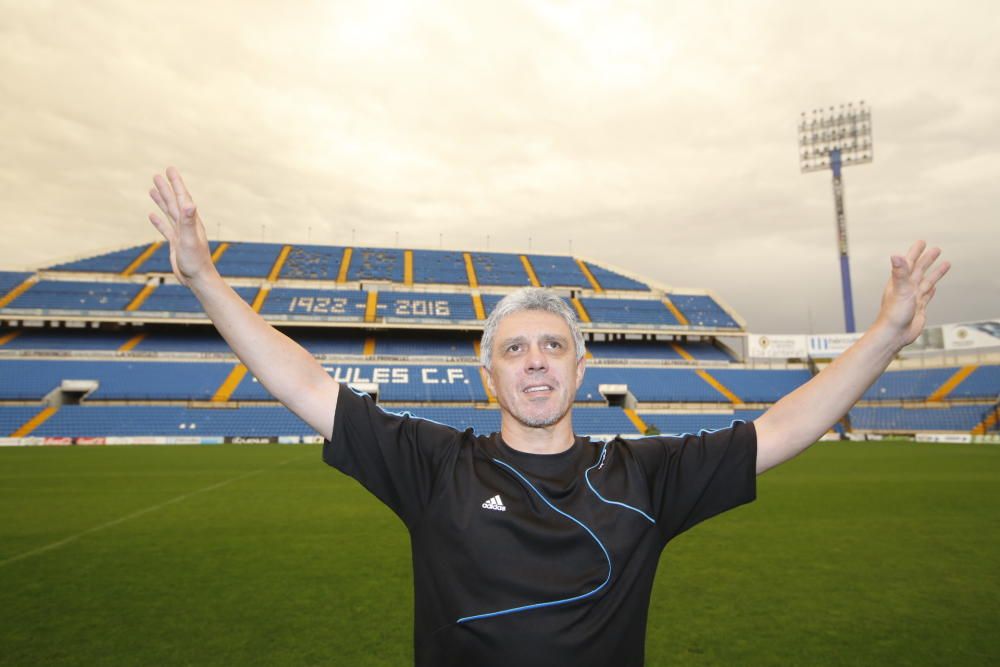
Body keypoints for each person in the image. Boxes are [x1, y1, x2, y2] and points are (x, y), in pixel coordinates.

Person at [147, 167, 950, 667]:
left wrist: (883, 335)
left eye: (554, 346)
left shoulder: (646, 474)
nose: (535, 359)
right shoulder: (433, 466)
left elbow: (782, 427)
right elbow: (306, 381)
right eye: (516, 347)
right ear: (487, 370)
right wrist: (206, 280)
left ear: (581, 364)